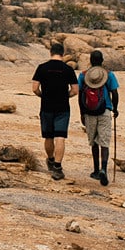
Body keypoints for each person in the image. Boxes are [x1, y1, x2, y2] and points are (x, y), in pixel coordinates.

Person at [32, 39, 79, 180]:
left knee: (48, 136)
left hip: (46, 106)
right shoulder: (68, 69)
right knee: (60, 137)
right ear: (62, 54)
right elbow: (75, 90)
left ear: (51, 52)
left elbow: (35, 88)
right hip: (62, 107)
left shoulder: (42, 67)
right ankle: (58, 167)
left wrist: (43, 95)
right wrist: (66, 96)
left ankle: (51, 159)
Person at [78, 49, 119, 186]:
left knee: (93, 142)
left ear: (90, 60)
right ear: (102, 61)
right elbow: (115, 93)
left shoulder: (83, 76)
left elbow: (80, 96)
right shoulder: (109, 75)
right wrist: (115, 108)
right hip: (104, 111)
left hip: (89, 112)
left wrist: (82, 113)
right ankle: (103, 169)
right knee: (104, 142)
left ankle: (95, 170)